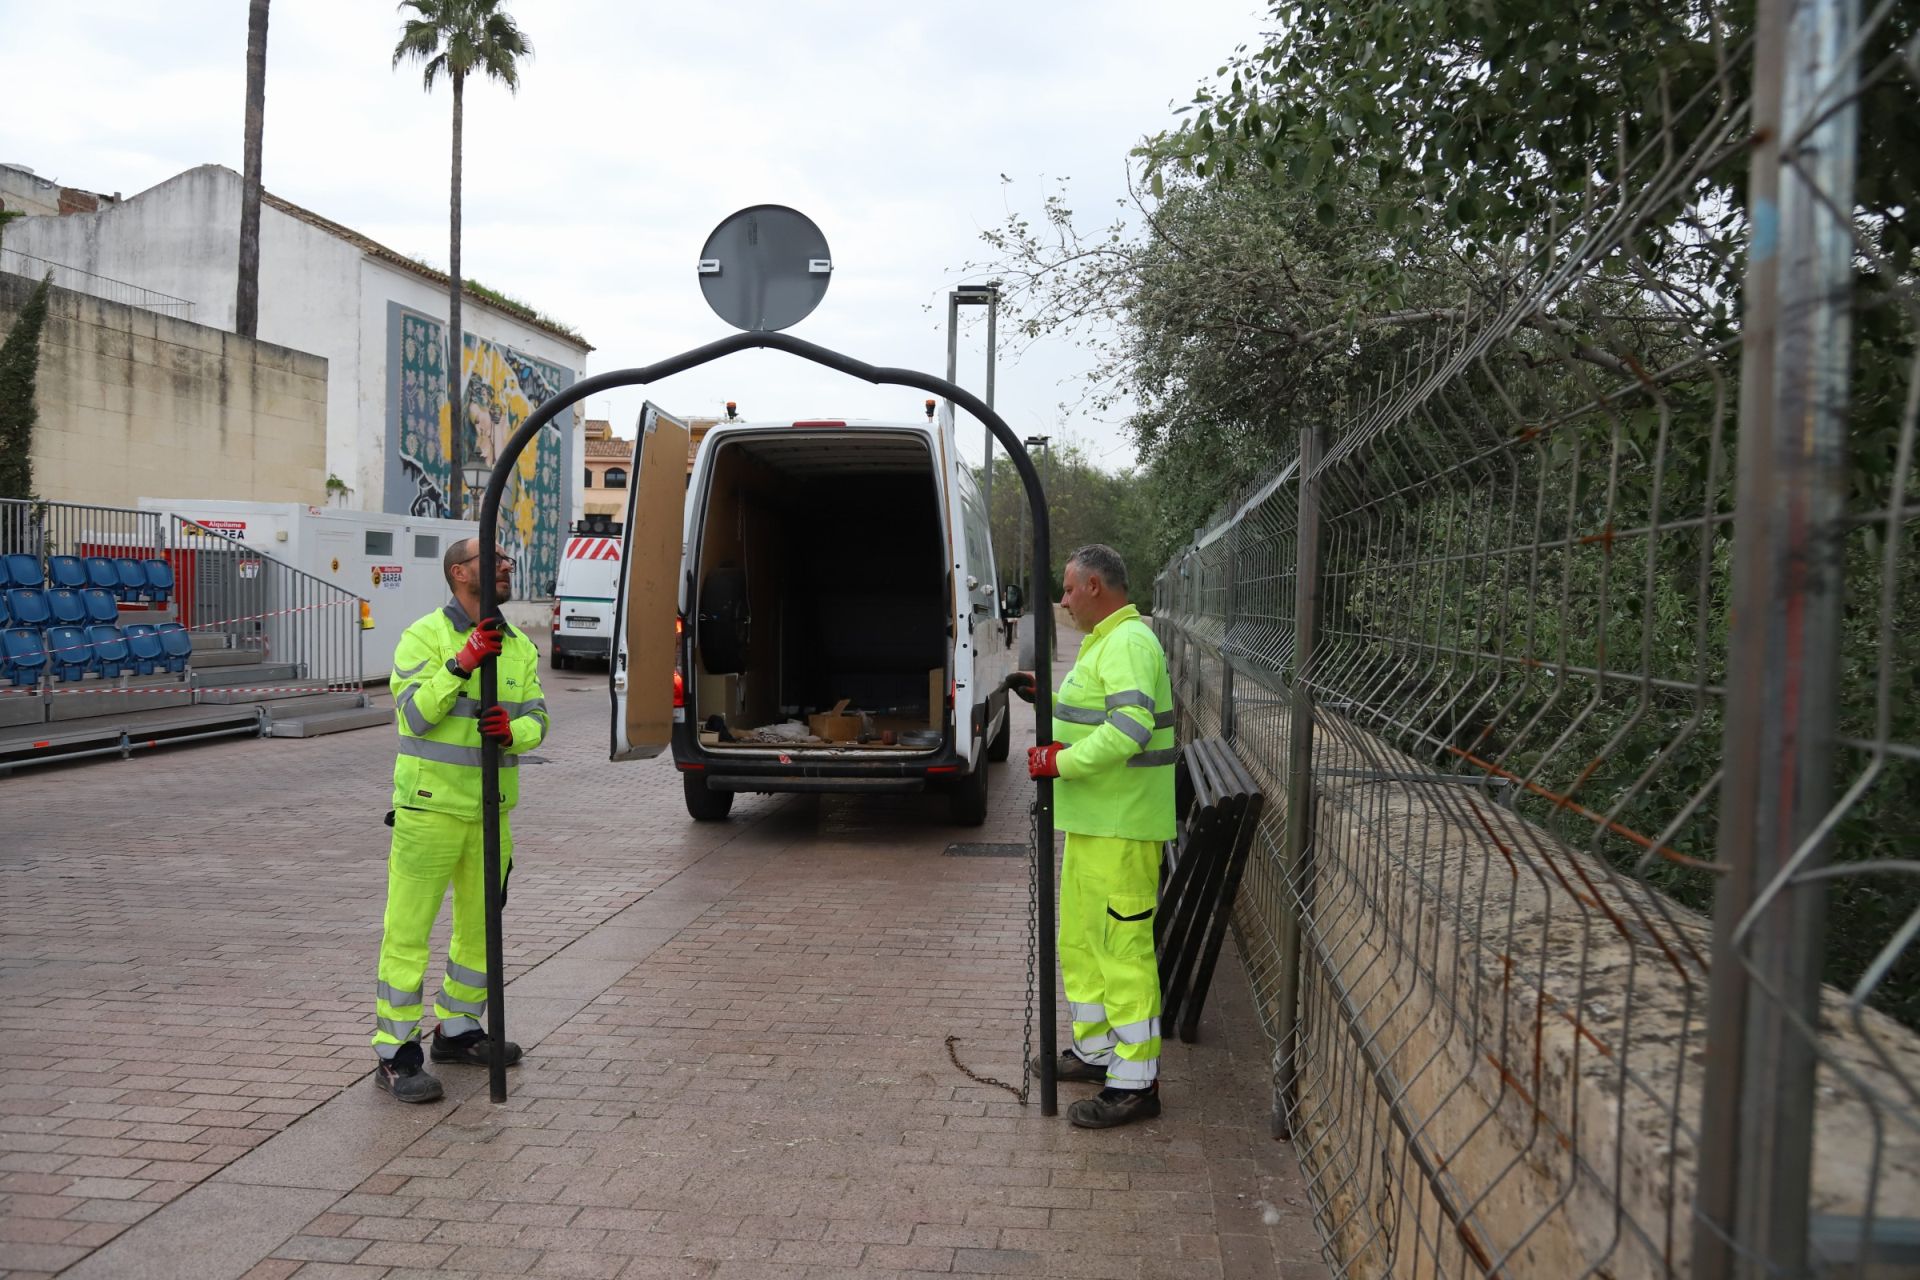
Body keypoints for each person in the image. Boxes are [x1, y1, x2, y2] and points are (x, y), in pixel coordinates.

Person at [372, 537, 549, 1102]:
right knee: (408, 935)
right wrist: (462, 662)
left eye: (505, 561)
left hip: (491, 812)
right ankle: (397, 1053)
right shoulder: (424, 635)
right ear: (457, 572)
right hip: (428, 810)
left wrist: (513, 733)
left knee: (480, 931)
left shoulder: (519, 646)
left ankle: (458, 1029)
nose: (504, 566)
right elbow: (416, 715)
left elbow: (538, 718)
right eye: (491, 559)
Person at [1017, 543, 1177, 1129]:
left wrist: (1061, 765)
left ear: (1093, 587)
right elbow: (1094, 718)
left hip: (1123, 825)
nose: (1062, 600)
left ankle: (1136, 1083)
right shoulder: (1105, 643)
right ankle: (1097, 1050)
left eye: (1067, 589)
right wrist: (1046, 701)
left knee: (1123, 953)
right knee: (1083, 944)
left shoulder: (1130, 642)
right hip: (1094, 822)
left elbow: (1129, 729)